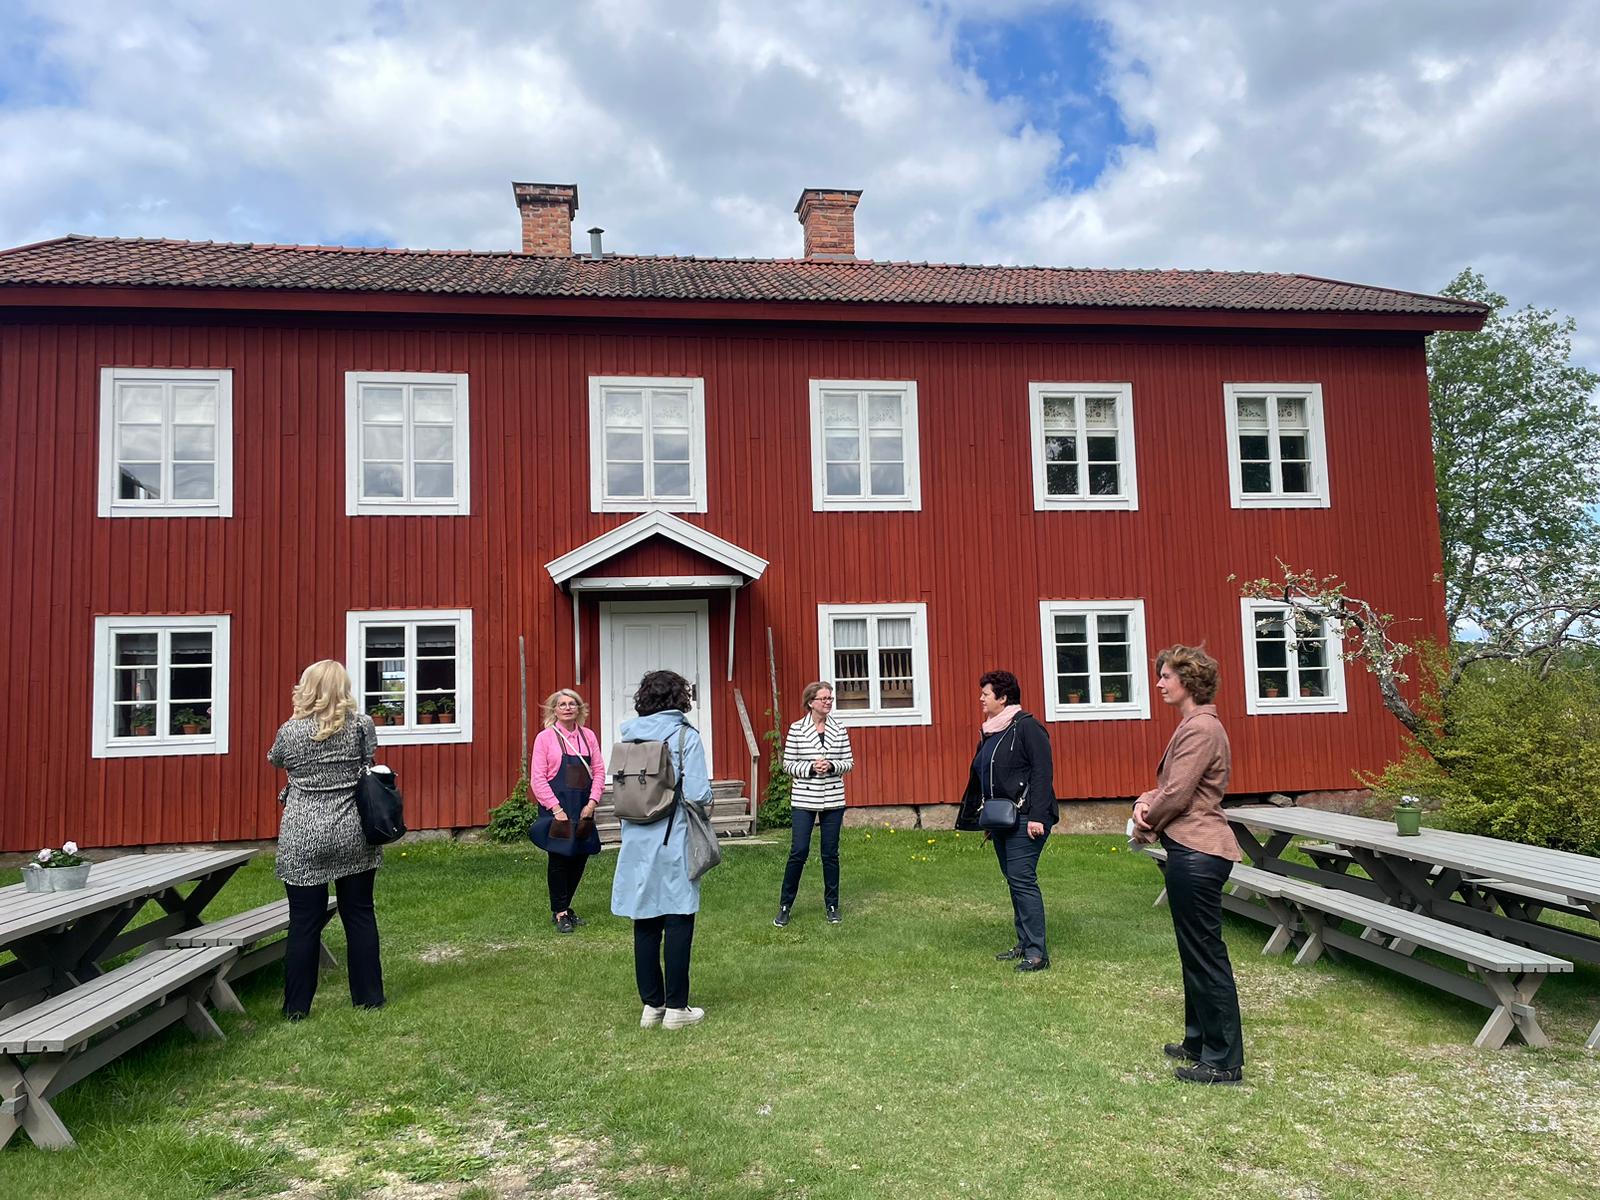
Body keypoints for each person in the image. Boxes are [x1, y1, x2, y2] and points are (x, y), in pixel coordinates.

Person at [1131, 644, 1244, 1084]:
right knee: (1193, 953)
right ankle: (1199, 1042)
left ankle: (1223, 1061)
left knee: (1205, 955)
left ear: (1188, 681)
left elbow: (1177, 794)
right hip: (1191, 850)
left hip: (1199, 852)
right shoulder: (1194, 725)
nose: (1159, 683)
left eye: (1166, 676)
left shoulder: (1201, 729)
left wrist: (1145, 823)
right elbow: (1171, 787)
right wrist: (1144, 801)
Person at [268, 659, 385, 1020]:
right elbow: (369, 758)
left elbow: (275, 759)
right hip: (352, 830)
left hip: (303, 833)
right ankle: (369, 998)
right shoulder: (362, 725)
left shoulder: (291, 730)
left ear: (307, 689)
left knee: (304, 921)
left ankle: (296, 1008)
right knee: (359, 914)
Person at [610, 670, 714, 1029]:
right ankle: (677, 1008)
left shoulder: (629, 737)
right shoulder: (685, 736)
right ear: (679, 698)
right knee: (679, 915)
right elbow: (698, 793)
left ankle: (651, 1005)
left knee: (645, 920)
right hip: (674, 835)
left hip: (636, 837)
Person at [955, 669, 1057, 972]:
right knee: (1014, 880)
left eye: (985, 694)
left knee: (1022, 879)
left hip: (1027, 819)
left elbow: (1042, 773)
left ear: (1003, 697)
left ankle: (1037, 954)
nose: (981, 699)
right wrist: (987, 820)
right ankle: (1024, 943)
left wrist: (1037, 817)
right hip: (1002, 820)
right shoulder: (991, 732)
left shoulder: (1027, 727)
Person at [774, 680, 854, 927]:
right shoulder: (796, 729)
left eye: (830, 698)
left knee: (830, 854)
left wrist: (831, 765)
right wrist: (810, 767)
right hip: (804, 798)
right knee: (799, 851)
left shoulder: (839, 729)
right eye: (824, 698)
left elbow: (849, 762)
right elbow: (788, 764)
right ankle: (785, 906)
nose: (828, 702)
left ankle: (832, 905)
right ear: (811, 702)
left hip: (833, 798)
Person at [530, 688, 605, 934]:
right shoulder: (545, 738)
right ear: (554, 710)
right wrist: (555, 808)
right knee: (560, 859)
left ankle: (565, 905)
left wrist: (592, 803)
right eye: (562, 704)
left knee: (580, 857)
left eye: (572, 704)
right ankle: (560, 912)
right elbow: (538, 778)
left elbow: (599, 771)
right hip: (557, 808)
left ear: (579, 708)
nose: (567, 708)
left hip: (583, 807)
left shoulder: (588, 736)